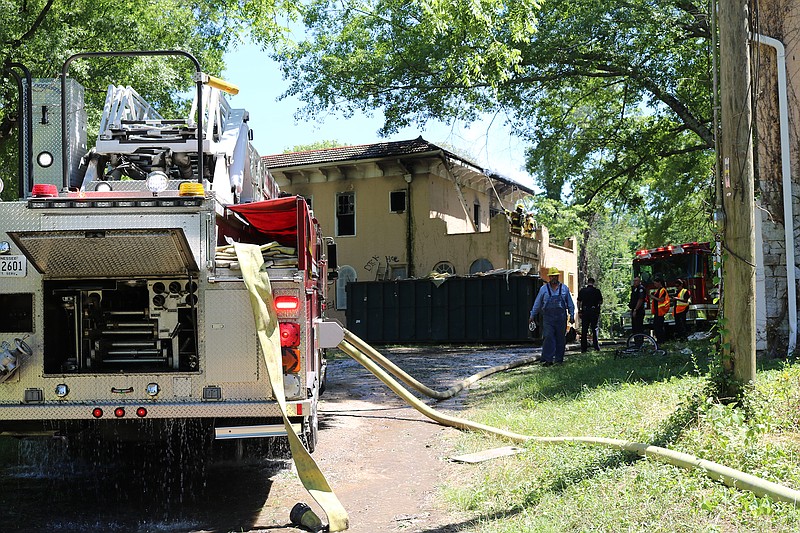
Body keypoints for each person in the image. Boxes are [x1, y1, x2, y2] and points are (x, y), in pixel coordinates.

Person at [529, 267, 575, 366]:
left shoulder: (564, 289)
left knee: (560, 338)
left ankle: (559, 360)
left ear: (558, 276)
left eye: (555, 276)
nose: (554, 278)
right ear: (549, 277)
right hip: (548, 318)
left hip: (561, 317)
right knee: (548, 336)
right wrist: (532, 315)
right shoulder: (543, 289)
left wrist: (572, 315)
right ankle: (548, 359)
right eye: (552, 276)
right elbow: (537, 303)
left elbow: (570, 303)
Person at [577, 277, 603, 352]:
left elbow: (578, 301)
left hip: (585, 311)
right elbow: (600, 301)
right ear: (593, 283)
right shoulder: (597, 291)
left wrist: (579, 311)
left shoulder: (583, 291)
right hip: (594, 311)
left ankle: (583, 348)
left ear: (587, 282)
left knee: (584, 330)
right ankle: (596, 347)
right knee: (594, 329)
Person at [650, 278, 670, 344]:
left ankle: (661, 341)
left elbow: (661, 300)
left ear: (659, 282)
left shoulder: (662, 290)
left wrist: (653, 297)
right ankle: (659, 340)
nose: (654, 284)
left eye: (655, 283)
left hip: (660, 311)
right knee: (656, 326)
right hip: (657, 311)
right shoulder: (658, 290)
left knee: (659, 327)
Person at [628, 276, 646, 343]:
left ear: (639, 281)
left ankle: (640, 342)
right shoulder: (634, 289)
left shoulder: (640, 289)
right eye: (634, 281)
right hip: (634, 309)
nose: (634, 282)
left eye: (636, 281)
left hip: (639, 311)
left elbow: (640, 299)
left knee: (639, 327)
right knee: (634, 327)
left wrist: (635, 310)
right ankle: (636, 342)